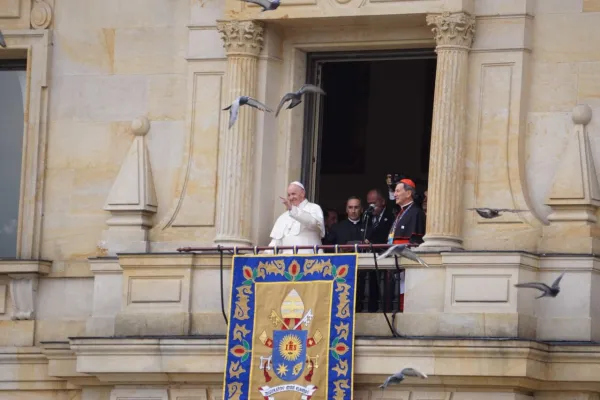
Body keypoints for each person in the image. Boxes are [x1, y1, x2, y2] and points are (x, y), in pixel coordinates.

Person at [387, 178, 426, 313]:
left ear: (408, 193)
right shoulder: (401, 212)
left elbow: (416, 241)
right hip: (395, 260)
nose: (395, 194)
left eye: (398, 191)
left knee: (406, 297)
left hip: (406, 262)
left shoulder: (416, 213)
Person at [266, 181, 325, 254]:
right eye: (289, 195)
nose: (291, 198)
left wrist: (293, 210)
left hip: (310, 259)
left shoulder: (314, 208)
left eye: (293, 194)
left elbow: (313, 223)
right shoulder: (283, 217)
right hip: (286, 261)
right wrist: (265, 254)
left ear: (302, 193)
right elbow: (276, 242)